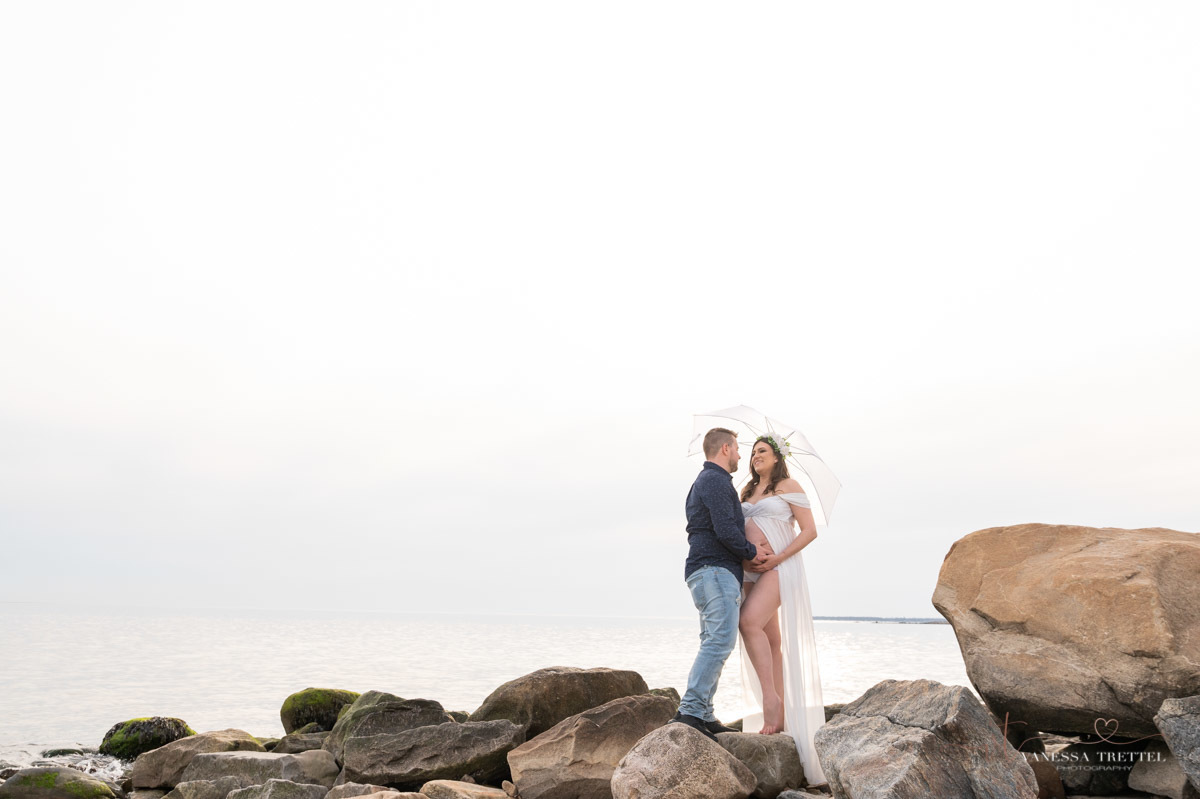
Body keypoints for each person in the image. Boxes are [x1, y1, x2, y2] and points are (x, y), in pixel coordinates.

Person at [736, 432, 828, 787]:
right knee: (771, 640)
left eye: (763, 451)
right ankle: (784, 712)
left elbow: (809, 531)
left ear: (777, 457)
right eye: (753, 452)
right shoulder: (746, 492)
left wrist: (779, 555)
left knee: (749, 623)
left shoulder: (789, 484)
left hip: (778, 566)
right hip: (748, 569)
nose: (756, 456)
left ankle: (771, 701)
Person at [672, 427, 773, 741]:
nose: (742, 456)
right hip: (714, 571)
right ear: (726, 448)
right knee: (719, 641)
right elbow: (726, 530)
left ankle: (704, 712)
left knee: (712, 641)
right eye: (739, 449)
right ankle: (689, 711)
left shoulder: (709, 481)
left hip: (708, 572)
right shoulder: (715, 481)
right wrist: (751, 551)